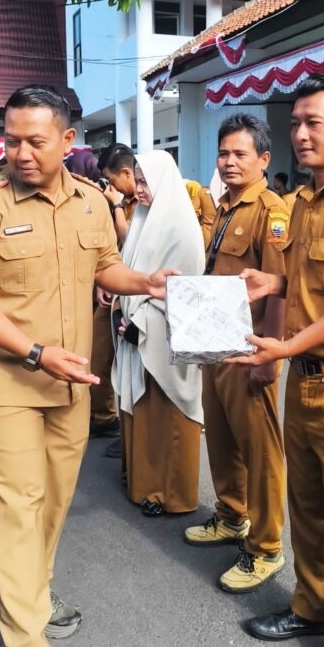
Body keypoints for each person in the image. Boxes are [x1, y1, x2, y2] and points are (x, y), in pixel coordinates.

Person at [0, 85, 173, 647]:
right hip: (7, 383)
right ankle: (24, 631)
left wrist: (146, 282)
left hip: (72, 383)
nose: (21, 153)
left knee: (52, 501)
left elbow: (104, 265)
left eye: (35, 141)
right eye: (11, 141)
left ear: (67, 140)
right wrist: (35, 353)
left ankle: (34, 590)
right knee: (17, 504)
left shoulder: (90, 201)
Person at [226, 74, 324, 645]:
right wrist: (272, 282)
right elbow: (309, 281)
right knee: (309, 508)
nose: (299, 134)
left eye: (313, 122)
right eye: (294, 123)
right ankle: (313, 608)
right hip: (305, 382)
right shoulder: (300, 203)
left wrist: (289, 346)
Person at [185, 114, 287, 594]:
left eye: (239, 154)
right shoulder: (224, 205)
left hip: (250, 349)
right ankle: (231, 515)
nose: (228, 161)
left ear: (263, 159)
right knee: (222, 438)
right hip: (215, 345)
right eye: (223, 153)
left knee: (260, 451)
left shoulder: (271, 211)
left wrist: (271, 356)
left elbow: (281, 290)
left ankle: (265, 546)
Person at [112, 150, 205, 517]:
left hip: (165, 339)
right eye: (137, 181)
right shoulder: (142, 221)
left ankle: (173, 494)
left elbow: (185, 291)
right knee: (145, 413)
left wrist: (141, 324)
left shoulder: (181, 228)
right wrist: (122, 311)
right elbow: (129, 274)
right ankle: (145, 485)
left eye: (145, 182)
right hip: (136, 330)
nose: (139, 189)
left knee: (169, 414)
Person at [88, 145, 138, 445]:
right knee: (99, 354)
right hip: (114, 289)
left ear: (126, 173)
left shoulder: (143, 199)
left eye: (111, 179)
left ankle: (127, 431)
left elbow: (128, 240)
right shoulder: (122, 199)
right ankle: (104, 416)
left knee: (131, 364)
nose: (110, 185)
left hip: (139, 292)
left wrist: (117, 206)